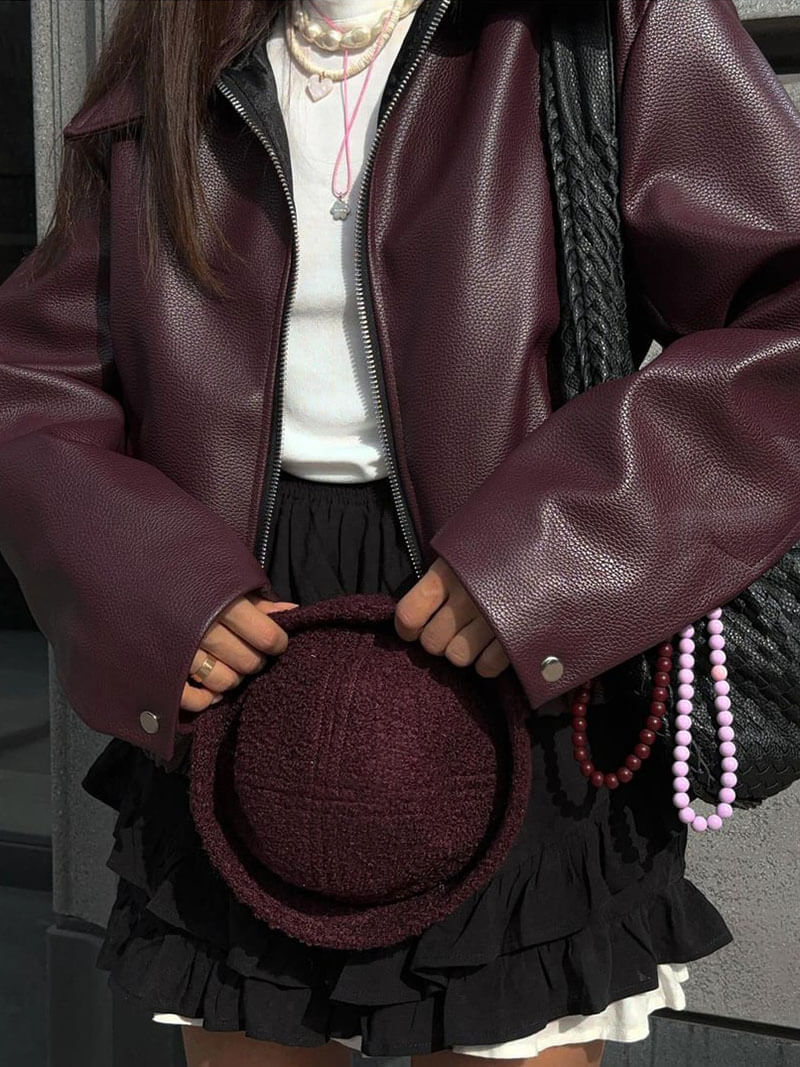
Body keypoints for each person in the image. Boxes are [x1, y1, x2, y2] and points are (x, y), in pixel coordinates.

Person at [2, 0, 800, 1063]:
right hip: (233, 622)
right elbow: (33, 388)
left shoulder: (592, 18)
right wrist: (145, 582)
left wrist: (556, 556)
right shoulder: (183, 31)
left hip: (515, 616)